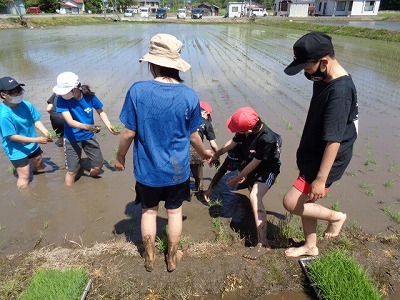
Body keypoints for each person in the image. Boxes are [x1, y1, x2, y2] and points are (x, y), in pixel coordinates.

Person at [114, 33, 212, 273]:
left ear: (152, 64)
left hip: (147, 172)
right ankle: (172, 256)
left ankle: (149, 256)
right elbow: (193, 136)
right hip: (177, 171)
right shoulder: (189, 95)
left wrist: (119, 158)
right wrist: (205, 153)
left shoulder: (137, 91)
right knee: (174, 212)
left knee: (148, 211)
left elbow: (127, 133)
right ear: (176, 65)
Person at [282, 31, 358, 257]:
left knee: (291, 202)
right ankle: (310, 246)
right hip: (315, 152)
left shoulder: (340, 92)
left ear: (324, 62)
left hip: (328, 157)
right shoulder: (323, 78)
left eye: (307, 67)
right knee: (305, 200)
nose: (305, 72)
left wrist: (321, 179)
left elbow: (334, 139)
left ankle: (336, 217)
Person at [210, 107, 282, 260]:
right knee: (251, 192)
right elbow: (232, 143)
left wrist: (237, 178)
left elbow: (255, 164)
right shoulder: (246, 130)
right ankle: (255, 213)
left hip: (267, 169)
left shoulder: (267, 139)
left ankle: (263, 243)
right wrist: (216, 154)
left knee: (255, 196)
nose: (238, 133)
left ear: (248, 130)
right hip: (252, 165)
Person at [52, 72, 119, 186]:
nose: (64, 94)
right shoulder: (61, 100)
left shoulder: (89, 97)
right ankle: (70, 193)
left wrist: (109, 126)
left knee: (98, 166)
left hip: (89, 136)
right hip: (72, 138)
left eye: (67, 91)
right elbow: (70, 122)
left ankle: (92, 180)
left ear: (76, 88)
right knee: (72, 171)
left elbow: (100, 111)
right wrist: (89, 127)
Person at [0, 76, 52, 188]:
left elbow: (36, 120)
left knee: (39, 164)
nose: (18, 94)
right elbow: (12, 136)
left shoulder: (26, 105)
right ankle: (27, 198)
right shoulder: (4, 115)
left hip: (32, 143)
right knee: (25, 176)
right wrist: (36, 139)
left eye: (19, 90)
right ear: (4, 95)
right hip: (15, 148)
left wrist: (45, 132)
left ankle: (42, 189)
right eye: (14, 92)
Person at [190, 101, 218, 193]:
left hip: (181, 150)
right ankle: (199, 192)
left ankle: (184, 196)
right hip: (196, 151)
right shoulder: (206, 123)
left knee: (183, 177)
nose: (208, 118)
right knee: (198, 177)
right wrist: (217, 156)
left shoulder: (187, 119)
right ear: (205, 112)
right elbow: (213, 144)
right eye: (208, 115)